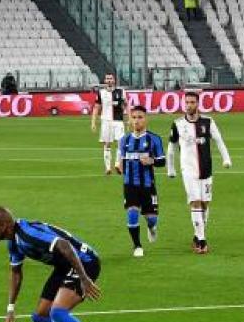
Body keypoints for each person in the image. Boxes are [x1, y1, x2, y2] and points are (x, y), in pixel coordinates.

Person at [0, 207, 111, 322]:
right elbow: (16, 273)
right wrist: (11, 307)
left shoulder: (28, 235)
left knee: (58, 312)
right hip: (64, 266)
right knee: (40, 317)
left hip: (84, 262)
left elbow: (64, 245)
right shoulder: (13, 242)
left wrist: (84, 279)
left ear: (4, 225)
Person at [166, 90, 232, 254]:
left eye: (192, 102)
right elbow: (171, 149)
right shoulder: (177, 124)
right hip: (188, 170)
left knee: (205, 203)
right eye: (187, 102)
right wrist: (171, 169)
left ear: (198, 104)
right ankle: (202, 241)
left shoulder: (208, 122)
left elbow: (219, 141)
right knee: (195, 201)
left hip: (206, 169)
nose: (189, 105)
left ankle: (197, 235)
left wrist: (226, 159)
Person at [114, 105, 166, 257]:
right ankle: (137, 246)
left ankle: (151, 227)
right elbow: (120, 160)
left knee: (151, 219)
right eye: (134, 117)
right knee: (132, 212)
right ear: (130, 120)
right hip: (130, 184)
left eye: (140, 117)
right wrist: (119, 168)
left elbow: (162, 161)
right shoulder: (124, 140)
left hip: (148, 185)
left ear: (146, 119)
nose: (136, 121)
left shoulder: (154, 139)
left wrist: (152, 161)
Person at [90, 74, 126, 175]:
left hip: (118, 121)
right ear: (105, 80)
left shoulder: (121, 91)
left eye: (111, 78)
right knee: (107, 144)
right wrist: (93, 122)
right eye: (107, 79)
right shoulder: (101, 93)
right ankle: (108, 168)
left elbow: (126, 104)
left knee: (121, 143)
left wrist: (130, 118)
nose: (109, 80)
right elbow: (96, 108)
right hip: (106, 121)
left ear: (114, 80)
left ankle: (117, 164)